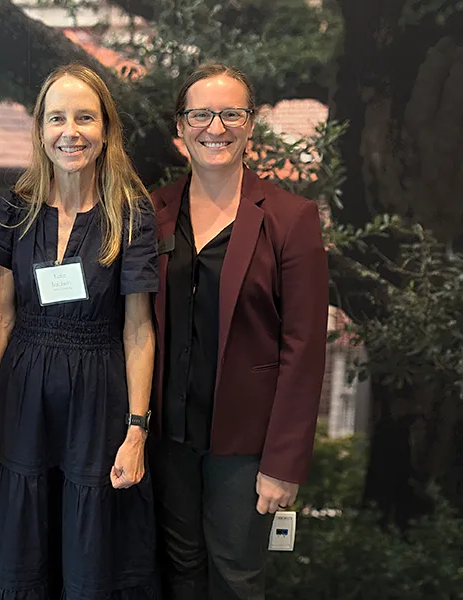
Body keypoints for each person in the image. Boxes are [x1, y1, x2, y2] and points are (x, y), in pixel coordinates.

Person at [0, 63, 159, 599]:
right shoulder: (17, 208)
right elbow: (1, 313)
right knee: (23, 546)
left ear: (106, 130)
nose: (69, 131)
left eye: (84, 117)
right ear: (40, 130)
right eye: (57, 118)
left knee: (89, 546)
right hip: (23, 397)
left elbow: (139, 330)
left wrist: (137, 429)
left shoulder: (131, 215)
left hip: (98, 399)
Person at [150, 63, 329, 599]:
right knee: (177, 573)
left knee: (235, 579)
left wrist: (284, 463)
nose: (216, 127)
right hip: (167, 437)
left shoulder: (290, 217)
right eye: (201, 114)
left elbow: (305, 348)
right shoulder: (152, 210)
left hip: (245, 446)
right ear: (180, 128)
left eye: (231, 113)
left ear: (251, 125)